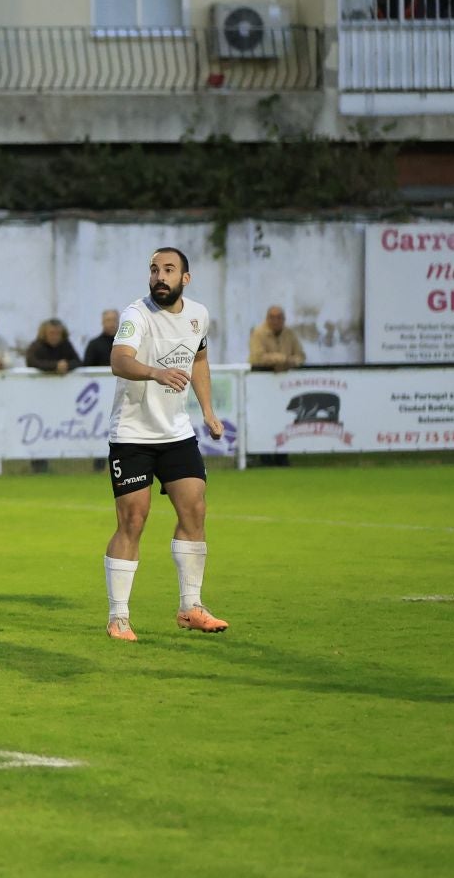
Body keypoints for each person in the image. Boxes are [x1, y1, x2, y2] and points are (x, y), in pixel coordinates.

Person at [103, 247, 227, 642]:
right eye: (155, 269)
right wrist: (155, 373)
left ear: (184, 279)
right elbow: (119, 361)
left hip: (177, 432)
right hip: (133, 435)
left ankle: (191, 606)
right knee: (133, 520)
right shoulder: (135, 315)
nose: (160, 276)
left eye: (169, 270)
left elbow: (200, 360)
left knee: (195, 509)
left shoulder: (198, 315)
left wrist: (207, 411)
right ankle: (118, 616)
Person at [249, 306, 307, 371]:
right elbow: (257, 358)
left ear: (284, 319)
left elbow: (301, 356)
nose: (275, 321)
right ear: (266, 319)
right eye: (272, 317)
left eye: (279, 317)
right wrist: (282, 359)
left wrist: (291, 362)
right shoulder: (257, 333)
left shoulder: (290, 333)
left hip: (286, 376)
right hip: (261, 374)